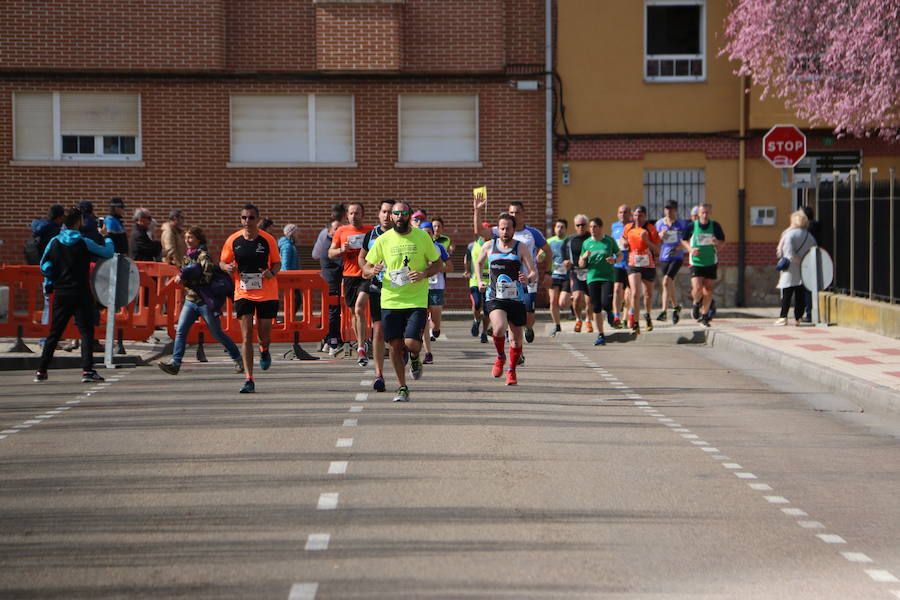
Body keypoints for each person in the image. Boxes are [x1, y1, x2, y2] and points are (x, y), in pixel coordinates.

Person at [362, 201, 441, 402]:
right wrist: (373, 271)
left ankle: (415, 358)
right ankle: (402, 387)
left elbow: (438, 263)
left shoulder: (422, 236)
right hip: (390, 300)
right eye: (395, 213)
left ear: (409, 215)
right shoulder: (383, 240)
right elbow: (365, 269)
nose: (398, 216)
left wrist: (423, 274)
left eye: (402, 213)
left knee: (412, 343)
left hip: (416, 300)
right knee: (395, 346)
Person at [33, 207, 114, 383]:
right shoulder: (83, 242)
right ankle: (87, 371)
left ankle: (41, 370)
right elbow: (107, 253)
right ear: (79, 222)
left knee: (55, 331)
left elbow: (44, 265)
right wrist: (106, 236)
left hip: (62, 291)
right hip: (81, 291)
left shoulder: (54, 242)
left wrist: (50, 283)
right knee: (86, 332)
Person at [158, 226, 243, 375]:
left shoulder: (204, 255)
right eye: (186, 238)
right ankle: (175, 363)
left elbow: (207, 277)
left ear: (198, 239)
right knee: (181, 331)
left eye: (191, 238)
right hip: (190, 300)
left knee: (217, 333)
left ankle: (237, 358)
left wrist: (187, 276)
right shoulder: (187, 256)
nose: (187, 241)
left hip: (205, 301)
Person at [220, 203, 281, 393]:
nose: (247, 221)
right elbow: (222, 261)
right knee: (246, 336)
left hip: (267, 292)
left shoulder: (267, 239)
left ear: (258, 220)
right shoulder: (233, 240)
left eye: (251, 218)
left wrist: (271, 273)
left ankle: (264, 350)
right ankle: (249, 378)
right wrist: (227, 267)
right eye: (244, 218)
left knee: (264, 336)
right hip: (243, 292)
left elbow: (278, 264)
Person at [473, 197, 549, 345]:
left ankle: (526, 329)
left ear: (523, 214)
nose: (514, 215)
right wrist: (477, 210)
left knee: (528, 314)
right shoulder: (500, 230)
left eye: (517, 212)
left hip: (526, 279)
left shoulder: (532, 233)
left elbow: (547, 250)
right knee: (505, 317)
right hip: (502, 283)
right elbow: (480, 230)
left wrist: (546, 268)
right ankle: (510, 340)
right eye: (511, 212)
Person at [475, 212, 537, 386]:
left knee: (517, 340)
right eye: (501, 228)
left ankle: (512, 371)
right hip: (495, 296)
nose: (504, 232)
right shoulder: (489, 246)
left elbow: (533, 272)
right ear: (498, 229)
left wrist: (528, 278)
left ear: (513, 229)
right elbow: (478, 263)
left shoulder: (520, 247)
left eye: (508, 228)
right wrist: (481, 280)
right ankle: (500, 356)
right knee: (499, 327)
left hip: (516, 299)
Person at [329, 203, 374, 366]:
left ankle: (361, 347)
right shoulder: (341, 231)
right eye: (352, 213)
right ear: (347, 215)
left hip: (366, 274)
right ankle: (361, 343)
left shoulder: (371, 230)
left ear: (363, 214)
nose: (355, 216)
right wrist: (342, 249)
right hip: (348, 276)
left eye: (357, 213)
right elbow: (330, 252)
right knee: (354, 313)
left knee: (359, 307)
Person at [358, 200, 394, 392]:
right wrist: (368, 269)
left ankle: (405, 350)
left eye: (391, 212)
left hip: (400, 291)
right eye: (384, 212)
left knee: (398, 336)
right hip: (377, 288)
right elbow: (362, 257)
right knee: (378, 331)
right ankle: (379, 374)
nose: (387, 216)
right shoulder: (371, 235)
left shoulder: (402, 235)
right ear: (379, 214)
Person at [578, 217, 622, 346]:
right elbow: (580, 263)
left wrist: (614, 260)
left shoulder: (609, 241)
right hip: (592, 277)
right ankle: (601, 334)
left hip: (607, 277)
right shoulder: (586, 243)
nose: (592, 229)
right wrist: (584, 258)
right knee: (596, 306)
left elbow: (620, 255)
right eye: (590, 227)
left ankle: (609, 312)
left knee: (606, 303)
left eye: (595, 227)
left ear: (600, 228)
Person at [680, 203, 725, 327]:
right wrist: (690, 249)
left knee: (708, 290)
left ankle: (704, 316)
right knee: (697, 288)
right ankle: (696, 303)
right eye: (702, 212)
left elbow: (722, 243)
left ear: (710, 213)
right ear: (698, 214)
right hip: (696, 261)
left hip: (711, 261)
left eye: (707, 212)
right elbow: (683, 240)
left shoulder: (715, 226)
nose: (705, 215)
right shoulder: (692, 226)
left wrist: (717, 243)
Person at [621, 205, 661, 335]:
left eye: (641, 215)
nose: (638, 218)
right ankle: (635, 323)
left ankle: (648, 316)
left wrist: (647, 241)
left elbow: (658, 250)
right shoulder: (629, 227)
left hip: (648, 264)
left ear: (645, 216)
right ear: (633, 216)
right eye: (636, 215)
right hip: (633, 263)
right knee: (635, 293)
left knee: (648, 294)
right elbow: (623, 237)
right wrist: (624, 242)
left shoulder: (650, 229)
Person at [312, 204, 347, 354]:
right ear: (330, 230)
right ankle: (333, 342)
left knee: (332, 312)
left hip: (331, 281)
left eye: (340, 229)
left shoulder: (329, 241)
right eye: (336, 229)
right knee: (333, 312)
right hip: (331, 282)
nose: (339, 231)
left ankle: (328, 340)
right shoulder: (330, 247)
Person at [775, 210, 816, 326]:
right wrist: (804, 262)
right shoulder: (809, 235)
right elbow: (814, 250)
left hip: (790, 268)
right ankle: (798, 317)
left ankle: (783, 317)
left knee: (787, 294)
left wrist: (797, 260)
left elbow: (788, 253)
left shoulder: (789, 234)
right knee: (800, 295)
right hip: (804, 269)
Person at [418, 221, 451, 364]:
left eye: (429, 233)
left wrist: (435, 268)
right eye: (423, 233)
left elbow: (450, 267)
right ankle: (428, 353)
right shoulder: (416, 249)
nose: (426, 235)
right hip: (420, 288)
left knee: (435, 321)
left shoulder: (439, 248)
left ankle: (436, 328)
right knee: (424, 321)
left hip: (436, 287)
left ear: (433, 234)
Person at [654, 200, 690, 324]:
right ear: (664, 210)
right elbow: (654, 239)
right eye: (666, 208)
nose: (669, 211)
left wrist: (684, 246)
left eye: (671, 208)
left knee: (666, 281)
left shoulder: (682, 224)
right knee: (670, 284)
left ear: (676, 210)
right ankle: (676, 308)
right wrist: (659, 235)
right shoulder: (659, 223)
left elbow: (688, 238)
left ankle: (663, 311)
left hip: (677, 256)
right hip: (664, 256)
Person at [564, 214, 594, 333]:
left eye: (583, 224)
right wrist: (565, 261)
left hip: (590, 271)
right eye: (578, 225)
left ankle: (588, 320)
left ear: (587, 226)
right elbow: (564, 253)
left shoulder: (592, 239)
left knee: (589, 300)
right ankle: (578, 319)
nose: (581, 227)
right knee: (576, 297)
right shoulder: (570, 240)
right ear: (575, 226)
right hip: (575, 271)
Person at [544, 218, 571, 336]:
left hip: (566, 275)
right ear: (554, 229)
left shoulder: (570, 241)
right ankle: (557, 325)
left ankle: (572, 302)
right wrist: (540, 256)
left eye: (562, 227)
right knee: (553, 301)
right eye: (557, 227)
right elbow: (542, 253)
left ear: (566, 229)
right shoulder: (549, 241)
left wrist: (569, 262)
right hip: (554, 274)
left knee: (563, 303)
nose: (559, 229)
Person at [464, 227, 492, 344]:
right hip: (475, 280)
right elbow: (467, 258)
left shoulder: (493, 245)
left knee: (486, 309)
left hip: (490, 281)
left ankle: (484, 332)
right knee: (476, 304)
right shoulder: (472, 245)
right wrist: (466, 270)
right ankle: (476, 320)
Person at [610, 204, 632, 329]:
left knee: (628, 292)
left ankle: (626, 317)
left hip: (630, 263)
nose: (623, 214)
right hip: (618, 263)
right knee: (617, 289)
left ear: (629, 214)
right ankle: (616, 316)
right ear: (617, 214)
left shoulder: (633, 226)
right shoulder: (614, 226)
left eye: (625, 212)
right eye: (620, 212)